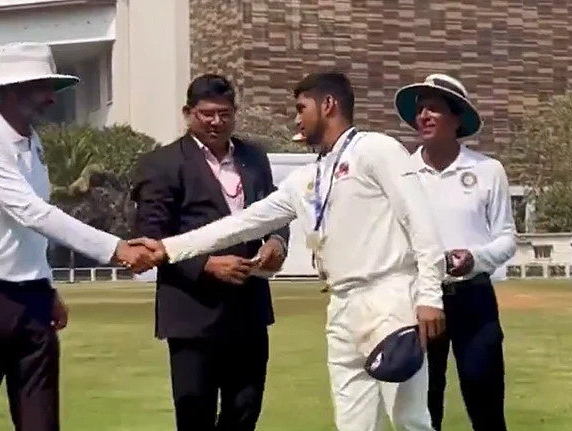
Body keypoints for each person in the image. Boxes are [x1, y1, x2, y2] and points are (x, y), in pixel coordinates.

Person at [133, 72, 447, 431]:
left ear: (328, 105)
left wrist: (430, 297)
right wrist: (167, 248)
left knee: (410, 420)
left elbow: (421, 222)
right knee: (354, 425)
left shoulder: (377, 149)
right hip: (342, 305)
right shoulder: (310, 176)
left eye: (301, 108)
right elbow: (243, 223)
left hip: (389, 296)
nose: (296, 118)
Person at [0, 42, 154, 431]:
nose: (50, 99)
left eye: (51, 88)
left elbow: (31, 228)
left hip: (32, 296)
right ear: (7, 90)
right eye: (40, 87)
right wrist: (115, 248)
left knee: (41, 419)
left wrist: (47, 286)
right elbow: (31, 211)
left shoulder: (32, 142)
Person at [130, 74, 290, 431]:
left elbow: (278, 211)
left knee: (244, 411)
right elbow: (149, 236)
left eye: (225, 113)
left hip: (248, 309)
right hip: (192, 313)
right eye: (207, 114)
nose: (217, 122)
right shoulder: (162, 164)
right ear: (188, 113)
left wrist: (277, 241)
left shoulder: (254, 158)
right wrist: (206, 264)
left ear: (235, 113)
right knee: (195, 416)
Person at [393, 73, 517, 431]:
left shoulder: (488, 170)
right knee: (423, 407)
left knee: (486, 401)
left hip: (473, 298)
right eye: (420, 111)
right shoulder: (402, 174)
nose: (424, 117)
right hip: (420, 300)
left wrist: (475, 258)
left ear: (457, 118)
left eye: (434, 109)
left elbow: (507, 238)